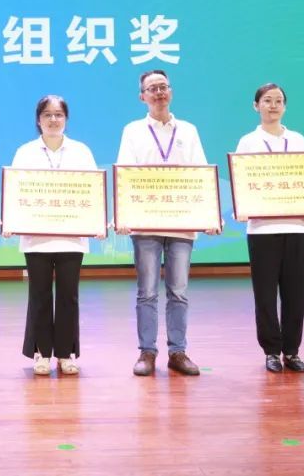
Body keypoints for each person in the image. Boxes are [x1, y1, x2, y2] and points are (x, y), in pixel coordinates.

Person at [116, 69, 219, 378]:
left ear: (171, 92)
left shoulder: (188, 130)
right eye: (152, 88)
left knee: (179, 291)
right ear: (142, 97)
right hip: (145, 224)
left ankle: (178, 352)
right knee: (146, 292)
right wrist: (123, 216)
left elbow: (201, 173)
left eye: (163, 86)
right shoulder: (133, 131)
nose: (158, 92)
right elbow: (125, 174)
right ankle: (147, 352)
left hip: (181, 224)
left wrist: (210, 216)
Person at [7, 95, 103, 376]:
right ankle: (41, 353)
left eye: (58, 114)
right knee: (39, 295)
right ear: (38, 120)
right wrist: (11, 220)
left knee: (68, 296)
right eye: (47, 114)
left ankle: (65, 353)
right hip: (36, 238)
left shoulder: (81, 151)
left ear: (66, 119)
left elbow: (92, 191)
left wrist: (97, 222)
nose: (53, 119)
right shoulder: (25, 152)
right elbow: (15, 191)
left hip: (71, 237)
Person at [234, 83, 304, 374]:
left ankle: (292, 351)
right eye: (267, 100)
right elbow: (241, 181)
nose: (273, 105)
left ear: (285, 106)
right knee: (265, 294)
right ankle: (271, 351)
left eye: (279, 100)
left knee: (296, 293)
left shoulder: (298, 139)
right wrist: (242, 207)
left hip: (298, 226)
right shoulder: (248, 142)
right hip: (261, 229)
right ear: (256, 106)